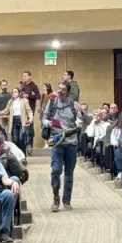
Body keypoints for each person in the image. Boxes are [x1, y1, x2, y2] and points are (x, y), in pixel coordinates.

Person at [43, 81, 84, 212]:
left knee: (69, 173)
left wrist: (79, 122)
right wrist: (47, 123)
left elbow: (80, 119)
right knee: (55, 171)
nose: (60, 91)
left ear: (68, 92)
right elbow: (43, 118)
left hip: (71, 143)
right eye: (59, 88)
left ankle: (67, 201)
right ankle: (56, 198)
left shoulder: (74, 104)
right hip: (57, 142)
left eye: (63, 89)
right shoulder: (52, 102)